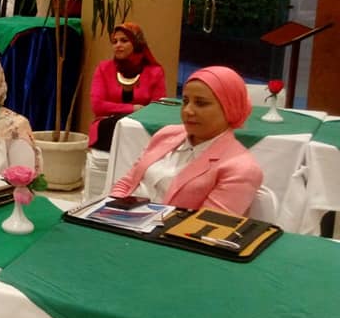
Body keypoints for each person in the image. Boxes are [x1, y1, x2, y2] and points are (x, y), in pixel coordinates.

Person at [111, 66, 262, 215]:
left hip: (168, 229)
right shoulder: (166, 134)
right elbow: (127, 183)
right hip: (120, 220)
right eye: (185, 101)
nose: (188, 110)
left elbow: (206, 225)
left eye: (201, 103)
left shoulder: (241, 168)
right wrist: (109, 211)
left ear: (230, 107)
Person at [89, 22, 166, 150]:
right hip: (107, 128)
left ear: (136, 43)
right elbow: (97, 106)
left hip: (141, 129)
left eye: (124, 41)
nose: (118, 45)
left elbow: (157, 110)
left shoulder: (155, 72)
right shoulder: (104, 68)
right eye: (114, 42)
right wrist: (133, 108)